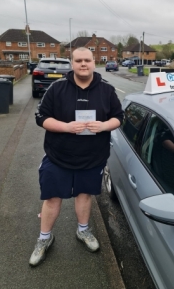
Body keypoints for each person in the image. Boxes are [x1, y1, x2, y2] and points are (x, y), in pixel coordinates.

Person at [29, 47, 123, 267]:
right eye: (78, 60)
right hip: (57, 156)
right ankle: (44, 238)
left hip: (92, 158)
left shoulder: (107, 90)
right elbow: (41, 117)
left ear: (93, 62)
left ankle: (83, 231)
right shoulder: (57, 88)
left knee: (84, 195)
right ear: (72, 63)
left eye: (87, 60)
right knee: (52, 198)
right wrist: (66, 127)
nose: (83, 64)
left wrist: (103, 125)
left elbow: (119, 117)